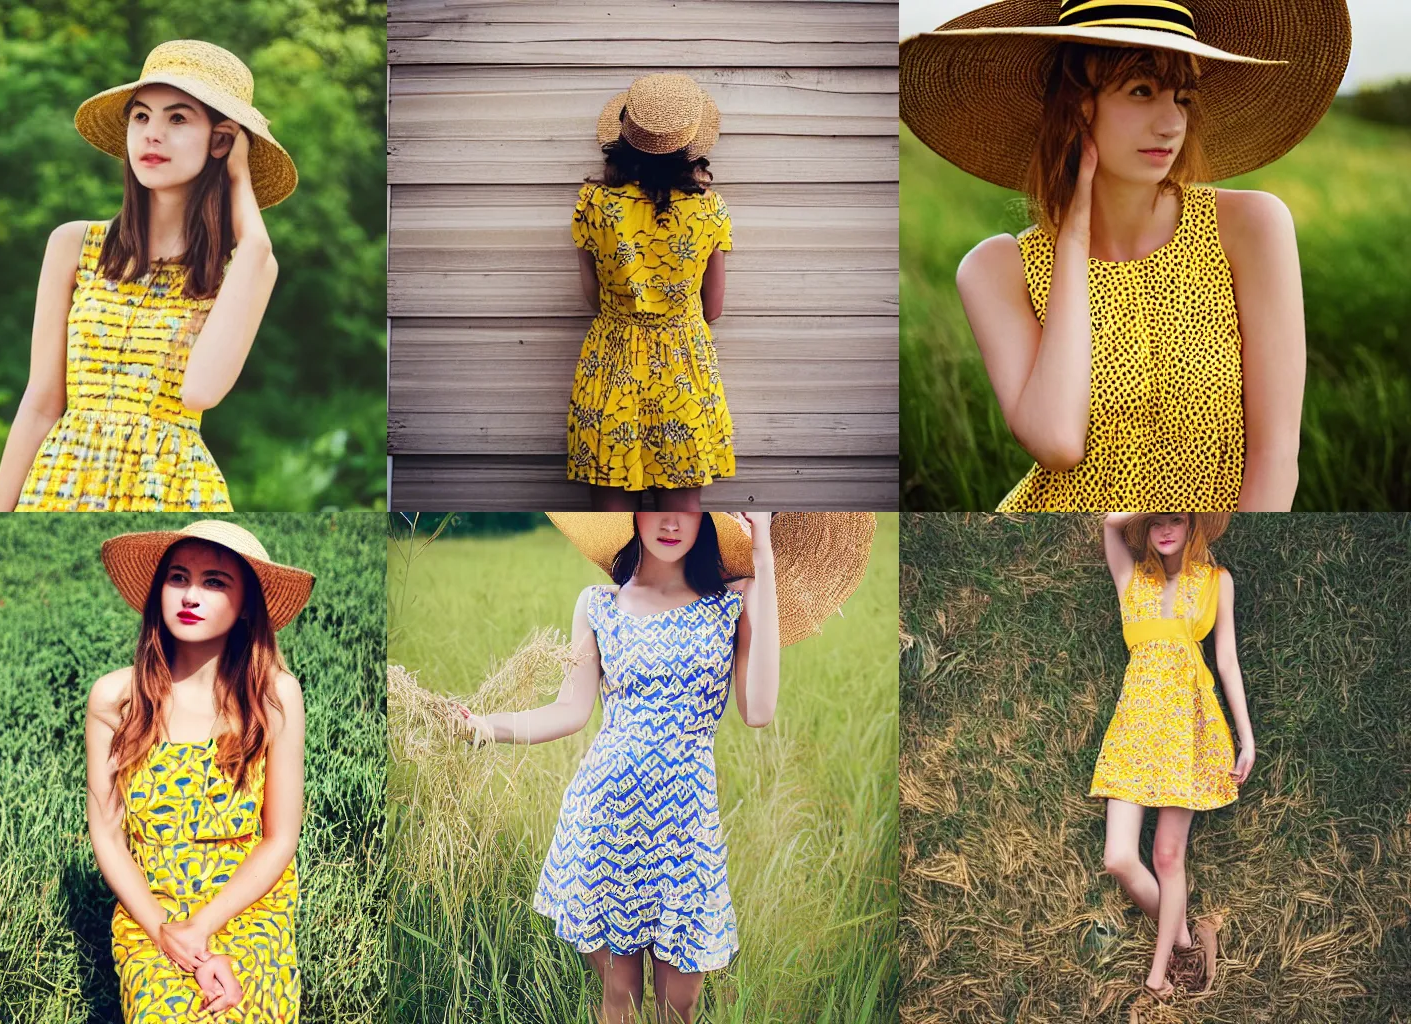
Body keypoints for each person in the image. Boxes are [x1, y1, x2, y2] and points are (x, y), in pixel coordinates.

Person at [899, 0, 1352, 511]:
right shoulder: (995, 269)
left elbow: (1277, 454)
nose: (1171, 123)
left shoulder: (1250, 228)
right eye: (1142, 91)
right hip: (1053, 552)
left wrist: (1232, 570)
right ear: (1077, 106)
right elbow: (1057, 444)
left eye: (1182, 97)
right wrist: (1071, 235)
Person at [454, 511, 876, 1023]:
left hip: (684, 829)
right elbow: (570, 711)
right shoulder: (598, 605)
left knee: (680, 1003)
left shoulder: (733, 600)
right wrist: (482, 727)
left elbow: (759, 711)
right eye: (657, 500)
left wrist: (763, 554)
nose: (671, 519)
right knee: (620, 996)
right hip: (605, 821)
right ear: (632, 510)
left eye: (688, 503)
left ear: (710, 517)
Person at [0, 40, 297, 512]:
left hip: (169, 491)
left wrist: (247, 209)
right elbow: (40, 404)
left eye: (177, 119)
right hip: (58, 487)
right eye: (141, 116)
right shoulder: (73, 245)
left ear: (221, 141)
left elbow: (200, 390)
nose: (152, 134)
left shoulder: (246, 266)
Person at [85, 520, 313, 1020]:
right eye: (177, 577)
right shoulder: (115, 699)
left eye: (214, 582)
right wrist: (166, 929)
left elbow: (279, 840)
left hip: (248, 902)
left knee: (240, 1008)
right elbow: (106, 832)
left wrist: (203, 928)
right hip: (154, 907)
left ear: (247, 604)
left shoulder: (275, 697)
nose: (190, 595)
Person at [1094, 512, 1255, 1011]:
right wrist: (1149, 502)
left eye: (1178, 519)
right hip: (1136, 728)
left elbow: (1226, 661)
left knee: (1167, 855)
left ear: (1194, 525)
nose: (1167, 529)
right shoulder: (1130, 575)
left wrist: (1247, 739)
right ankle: (1188, 937)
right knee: (1118, 858)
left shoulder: (1216, 582)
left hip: (1190, 723)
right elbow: (1108, 524)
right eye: (1157, 520)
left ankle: (1160, 975)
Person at [569, 75, 736, 511]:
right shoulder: (709, 208)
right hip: (683, 365)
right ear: (690, 144)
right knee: (681, 512)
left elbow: (593, 297)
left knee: (611, 518)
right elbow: (713, 308)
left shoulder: (594, 203)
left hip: (611, 362)